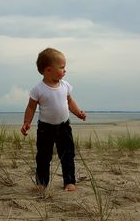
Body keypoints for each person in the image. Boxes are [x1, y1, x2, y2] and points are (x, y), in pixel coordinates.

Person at [21, 48, 86, 192]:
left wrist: (78, 113)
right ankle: (42, 183)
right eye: (62, 67)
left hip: (64, 127)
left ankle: (69, 182)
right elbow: (31, 108)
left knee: (68, 154)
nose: (65, 70)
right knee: (43, 156)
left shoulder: (65, 86)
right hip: (45, 128)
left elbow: (70, 102)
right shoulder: (38, 89)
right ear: (48, 70)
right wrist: (27, 122)